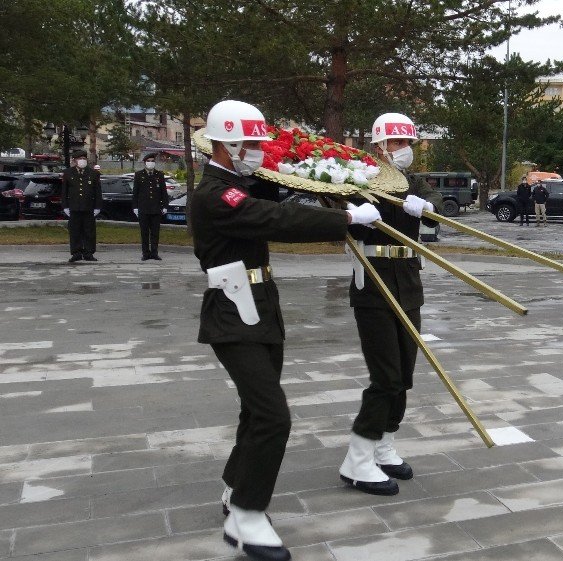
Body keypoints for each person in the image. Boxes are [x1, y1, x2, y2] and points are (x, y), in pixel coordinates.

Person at [190, 99, 380, 561]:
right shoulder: (216, 194)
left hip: (260, 309)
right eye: (250, 143)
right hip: (232, 314)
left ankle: (236, 486)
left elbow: (279, 199)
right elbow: (277, 219)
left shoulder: (242, 184)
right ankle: (246, 516)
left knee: (257, 412)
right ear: (226, 143)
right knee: (274, 416)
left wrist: (332, 183)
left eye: (260, 143)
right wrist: (346, 219)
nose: (257, 151)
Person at [340, 112, 443, 496]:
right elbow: (339, 219)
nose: (404, 151)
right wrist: (356, 213)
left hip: (408, 284)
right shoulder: (358, 177)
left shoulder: (410, 182)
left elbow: (434, 216)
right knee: (385, 375)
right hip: (374, 284)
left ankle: (383, 444)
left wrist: (426, 209)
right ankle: (358, 456)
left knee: (404, 373)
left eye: (407, 144)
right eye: (397, 144)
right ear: (379, 145)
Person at [61, 149, 102, 262]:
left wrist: (98, 206)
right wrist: (65, 206)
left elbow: (97, 191)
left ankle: (89, 252)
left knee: (89, 231)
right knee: (75, 231)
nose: (82, 161)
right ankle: (76, 253)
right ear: (75, 160)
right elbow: (64, 191)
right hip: (74, 207)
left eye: (84, 159)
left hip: (89, 207)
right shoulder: (68, 173)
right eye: (80, 159)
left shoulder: (93, 173)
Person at [132, 153, 169, 260]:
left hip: (156, 209)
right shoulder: (139, 175)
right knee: (144, 233)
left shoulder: (159, 175)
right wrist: (135, 207)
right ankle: (145, 253)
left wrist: (165, 206)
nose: (151, 163)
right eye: (149, 161)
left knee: (155, 233)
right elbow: (135, 193)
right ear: (145, 162)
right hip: (143, 209)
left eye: (152, 161)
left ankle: (154, 253)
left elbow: (164, 192)